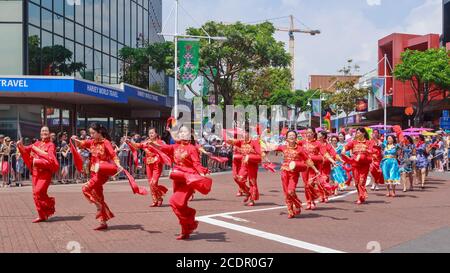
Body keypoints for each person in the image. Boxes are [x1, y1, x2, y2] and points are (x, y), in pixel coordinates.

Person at [71, 123, 144, 230]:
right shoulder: (92, 142)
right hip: (93, 172)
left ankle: (99, 207)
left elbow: (113, 155)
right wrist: (74, 139)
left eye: (93, 133)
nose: (91, 135)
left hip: (102, 172)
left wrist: (118, 164)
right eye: (90, 133)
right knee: (98, 195)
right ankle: (103, 222)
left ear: (99, 132)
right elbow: (80, 144)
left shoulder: (106, 143)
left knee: (85, 188)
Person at [152, 125, 212, 240]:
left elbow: (196, 164)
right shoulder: (175, 146)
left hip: (188, 180)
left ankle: (190, 217)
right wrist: (152, 144)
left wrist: (201, 174)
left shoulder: (192, 148)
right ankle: (185, 230)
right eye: (181, 132)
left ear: (189, 135)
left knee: (175, 202)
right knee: (180, 205)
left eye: (185, 132)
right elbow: (163, 148)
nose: (183, 134)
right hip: (177, 179)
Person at [17, 126, 59, 223]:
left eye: (46, 131)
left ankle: (50, 205)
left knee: (38, 192)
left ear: (49, 133)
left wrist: (35, 149)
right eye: (42, 131)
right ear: (40, 133)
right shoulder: (37, 143)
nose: (44, 132)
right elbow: (25, 149)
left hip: (45, 174)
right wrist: (20, 145)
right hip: (36, 173)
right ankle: (42, 215)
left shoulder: (51, 145)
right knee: (36, 194)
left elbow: (48, 156)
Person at [274, 130, 319, 218]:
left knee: (291, 191)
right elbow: (270, 148)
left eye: (293, 135)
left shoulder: (300, 149)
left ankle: (297, 205)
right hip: (284, 172)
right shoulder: (283, 147)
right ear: (286, 138)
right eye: (289, 135)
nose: (291, 137)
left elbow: (307, 160)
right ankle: (290, 210)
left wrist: (315, 169)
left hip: (294, 174)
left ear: (296, 138)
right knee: (287, 193)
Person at [127, 128, 168, 207]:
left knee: (154, 182)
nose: (151, 134)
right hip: (148, 165)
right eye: (150, 133)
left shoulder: (160, 142)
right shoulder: (146, 142)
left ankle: (159, 198)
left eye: (152, 133)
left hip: (157, 164)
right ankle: (155, 200)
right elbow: (137, 145)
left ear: (156, 134)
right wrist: (129, 142)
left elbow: (165, 149)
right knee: (150, 183)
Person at [226, 129, 262, 206]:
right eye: (242, 134)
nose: (243, 135)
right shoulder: (241, 142)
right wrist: (228, 140)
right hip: (244, 164)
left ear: (249, 134)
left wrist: (249, 157)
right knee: (238, 178)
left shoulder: (255, 143)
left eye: (245, 133)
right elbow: (231, 141)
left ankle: (252, 199)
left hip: (252, 165)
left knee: (252, 182)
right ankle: (248, 192)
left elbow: (259, 156)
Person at [341, 127, 373, 205]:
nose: (357, 134)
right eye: (356, 133)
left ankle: (361, 196)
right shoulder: (353, 142)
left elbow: (371, 151)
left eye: (359, 133)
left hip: (364, 164)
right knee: (356, 182)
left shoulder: (368, 142)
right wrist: (343, 150)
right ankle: (360, 195)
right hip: (355, 164)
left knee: (361, 181)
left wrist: (366, 150)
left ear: (364, 133)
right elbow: (346, 147)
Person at [297, 127, 325, 210]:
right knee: (306, 185)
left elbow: (323, 155)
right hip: (304, 167)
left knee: (310, 184)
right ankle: (308, 201)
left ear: (314, 134)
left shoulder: (318, 143)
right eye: (307, 132)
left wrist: (312, 157)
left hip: (313, 167)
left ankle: (312, 200)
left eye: (310, 132)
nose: (308, 134)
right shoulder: (301, 142)